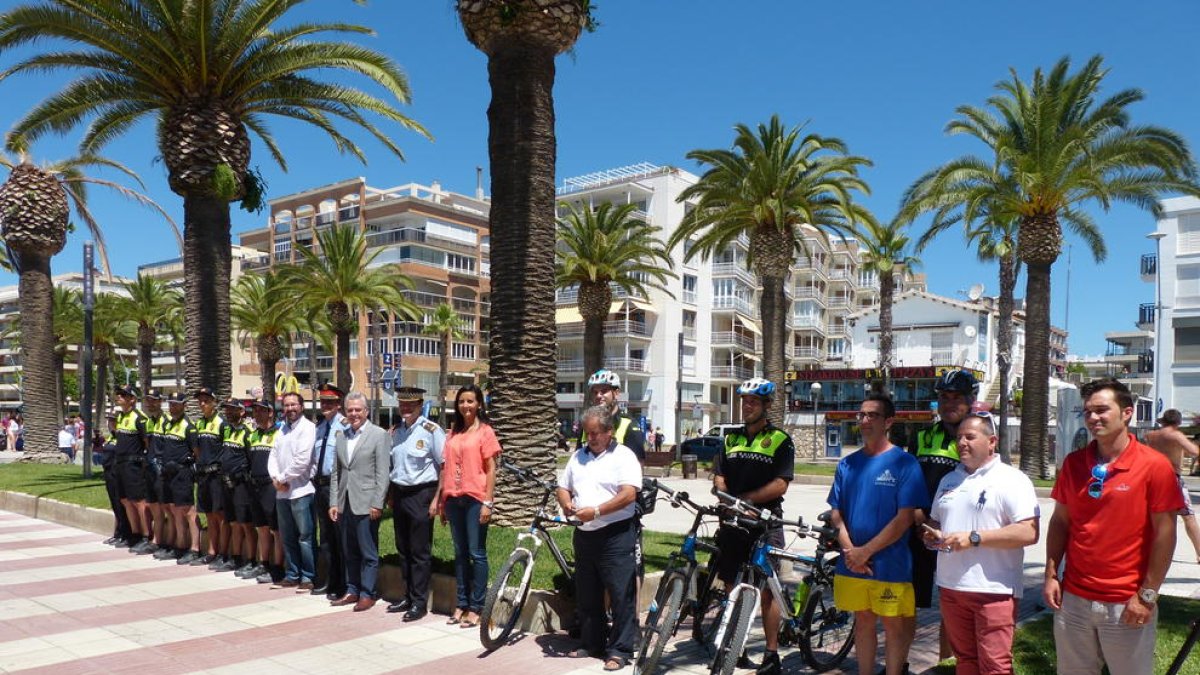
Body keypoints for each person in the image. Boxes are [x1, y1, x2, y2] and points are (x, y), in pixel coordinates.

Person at [1043, 378, 1185, 675]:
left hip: (1127, 601)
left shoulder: (1154, 466)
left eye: (1101, 410)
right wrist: (1051, 575)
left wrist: (1147, 596)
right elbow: (1060, 521)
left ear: (1127, 413)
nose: (1093, 417)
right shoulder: (1074, 464)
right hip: (1074, 600)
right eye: (1087, 411)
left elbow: (1165, 534)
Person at [923, 413, 1039, 675]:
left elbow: (1029, 532)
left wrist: (975, 538)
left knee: (995, 666)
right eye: (959, 437)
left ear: (992, 442)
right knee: (965, 661)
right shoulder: (949, 479)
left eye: (970, 437)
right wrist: (931, 534)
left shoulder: (1012, 479)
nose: (962, 442)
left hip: (993, 590)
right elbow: (935, 520)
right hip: (951, 588)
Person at [828, 393, 925, 675]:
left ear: (888, 422)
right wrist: (851, 552)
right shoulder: (847, 464)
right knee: (862, 621)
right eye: (861, 415)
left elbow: (905, 518)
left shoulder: (905, 463)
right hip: (852, 563)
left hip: (890, 565)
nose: (865, 420)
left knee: (893, 625)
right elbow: (836, 514)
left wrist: (865, 552)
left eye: (873, 415)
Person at [711, 377, 796, 675]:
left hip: (767, 522)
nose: (747, 406)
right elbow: (719, 475)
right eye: (744, 401)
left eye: (754, 401)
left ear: (767, 405)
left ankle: (771, 654)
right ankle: (737, 646)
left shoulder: (780, 440)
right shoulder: (730, 439)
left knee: (768, 590)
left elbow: (781, 484)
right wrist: (726, 497)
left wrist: (748, 499)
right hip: (734, 520)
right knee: (731, 585)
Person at [558, 405, 642, 672]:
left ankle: (620, 650)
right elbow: (563, 487)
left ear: (609, 431)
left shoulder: (624, 456)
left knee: (620, 595)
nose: (591, 438)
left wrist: (595, 511)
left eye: (595, 433)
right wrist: (566, 503)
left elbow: (628, 494)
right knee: (588, 593)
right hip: (584, 535)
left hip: (616, 535)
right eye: (587, 433)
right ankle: (591, 643)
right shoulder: (578, 456)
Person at [907, 368, 978, 662]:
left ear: (971, 400)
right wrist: (920, 519)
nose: (949, 403)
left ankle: (946, 665)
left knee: (953, 608)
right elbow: (909, 483)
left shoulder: (980, 438)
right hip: (920, 533)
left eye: (956, 397)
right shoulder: (921, 436)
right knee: (907, 605)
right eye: (944, 397)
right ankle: (900, 664)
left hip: (959, 537)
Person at [438, 384, 500, 628]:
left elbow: (492, 469)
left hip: (476, 499)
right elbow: (446, 468)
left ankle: (477, 607)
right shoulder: (453, 432)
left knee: (477, 553)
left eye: (470, 401)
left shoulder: (485, 432)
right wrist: (442, 501)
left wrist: (488, 502)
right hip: (454, 499)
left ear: (479, 404)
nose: (466, 405)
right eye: (462, 401)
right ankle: (461, 603)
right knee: (460, 554)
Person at [327, 391, 391, 611]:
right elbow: (336, 472)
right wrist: (334, 502)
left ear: (366, 411)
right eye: (350, 410)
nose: (354, 414)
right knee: (349, 550)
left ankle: (368, 593)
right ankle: (352, 590)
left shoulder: (379, 435)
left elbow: (383, 473)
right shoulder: (341, 436)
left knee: (368, 552)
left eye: (358, 410)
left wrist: (378, 503)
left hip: (366, 502)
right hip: (345, 502)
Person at [386, 386, 445, 621]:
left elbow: (443, 466)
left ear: (420, 405)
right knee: (403, 549)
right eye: (402, 404)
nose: (406, 408)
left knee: (420, 552)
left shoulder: (432, 431)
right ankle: (408, 596)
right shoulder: (396, 432)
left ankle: (419, 603)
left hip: (422, 494)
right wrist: (391, 494)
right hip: (400, 494)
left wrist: (437, 499)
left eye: (410, 405)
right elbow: (394, 466)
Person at [268, 391, 317, 590]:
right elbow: (272, 455)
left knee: (305, 537)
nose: (290, 409)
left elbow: (302, 461)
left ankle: (308, 577)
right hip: (282, 493)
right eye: (286, 405)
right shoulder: (282, 429)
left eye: (293, 405)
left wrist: (282, 478)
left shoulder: (308, 428)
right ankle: (292, 574)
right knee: (287, 537)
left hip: (301, 491)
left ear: (301, 407)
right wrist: (276, 479)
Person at [1145, 408, 1200, 564]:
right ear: (1178, 422)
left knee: (1155, 518)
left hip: (1153, 478)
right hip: (1172, 479)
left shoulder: (1151, 436)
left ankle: (1149, 551)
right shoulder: (1176, 435)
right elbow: (1194, 451)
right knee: (1188, 517)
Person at [239, 399, 283, 582]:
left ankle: (278, 568)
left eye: (261, 411)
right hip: (255, 486)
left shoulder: (279, 434)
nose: (256, 414)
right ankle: (263, 564)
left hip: (271, 486)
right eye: (255, 411)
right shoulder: (253, 435)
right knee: (261, 528)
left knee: (276, 530)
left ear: (270, 413)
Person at [310, 382, 347, 599]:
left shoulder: (345, 426)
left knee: (340, 537)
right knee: (325, 538)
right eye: (323, 401)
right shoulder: (320, 427)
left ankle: (342, 583)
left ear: (338, 404)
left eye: (330, 402)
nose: (326, 405)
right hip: (320, 487)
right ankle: (328, 581)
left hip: (337, 487)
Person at [155, 392, 201, 564]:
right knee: (174, 509)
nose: (172, 407)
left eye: (176, 404)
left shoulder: (189, 426)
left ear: (184, 406)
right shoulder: (168, 424)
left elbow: (196, 453)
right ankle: (179, 546)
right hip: (168, 473)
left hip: (182, 473)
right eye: (171, 404)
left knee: (188, 511)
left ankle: (194, 549)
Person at [111, 385, 152, 554]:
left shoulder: (140, 418)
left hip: (134, 465)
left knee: (139, 502)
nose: (119, 397)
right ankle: (134, 534)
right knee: (125, 500)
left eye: (123, 395)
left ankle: (146, 536)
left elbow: (147, 443)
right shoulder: (120, 416)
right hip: (120, 464)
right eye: (119, 394)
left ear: (132, 399)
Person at [213, 398, 252, 572]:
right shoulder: (226, 429)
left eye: (232, 409)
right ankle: (234, 558)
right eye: (227, 409)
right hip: (226, 482)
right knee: (233, 522)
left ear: (241, 411)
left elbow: (251, 460)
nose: (228, 412)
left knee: (245, 523)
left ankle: (251, 560)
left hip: (241, 485)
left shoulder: (248, 432)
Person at [192, 387, 226, 566]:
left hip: (217, 476)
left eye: (206, 401)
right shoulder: (199, 423)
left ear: (214, 402)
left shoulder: (222, 423)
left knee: (220, 515)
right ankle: (212, 551)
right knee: (209, 515)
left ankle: (224, 553)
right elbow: (197, 449)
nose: (202, 404)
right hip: (203, 475)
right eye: (200, 401)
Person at [579, 370, 646, 460]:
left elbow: (638, 464)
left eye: (604, 391)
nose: (598, 396)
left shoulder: (629, 425)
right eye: (595, 392)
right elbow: (578, 458)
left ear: (616, 393)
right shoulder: (587, 424)